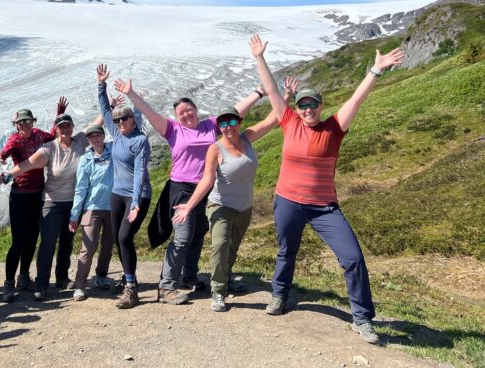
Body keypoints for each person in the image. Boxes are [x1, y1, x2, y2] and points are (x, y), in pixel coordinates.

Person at [250, 33, 404, 345]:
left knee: (353, 258)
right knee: (286, 251)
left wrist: (376, 70)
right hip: (288, 202)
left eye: (313, 104)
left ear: (321, 106)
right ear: (298, 107)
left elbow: (356, 99)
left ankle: (361, 319)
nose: (308, 109)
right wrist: (259, 58)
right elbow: (270, 90)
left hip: (324, 207)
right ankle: (280, 296)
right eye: (303, 104)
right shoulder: (288, 121)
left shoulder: (334, 128)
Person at [114, 77, 266, 304]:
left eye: (189, 110)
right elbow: (149, 112)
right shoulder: (172, 129)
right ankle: (166, 287)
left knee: (198, 235)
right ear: (176, 117)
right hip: (181, 189)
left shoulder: (210, 126)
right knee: (183, 237)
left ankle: (189, 278)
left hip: (207, 188)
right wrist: (131, 94)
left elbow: (234, 112)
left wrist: (258, 93)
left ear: (196, 110)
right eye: (181, 113)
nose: (186, 115)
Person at [172, 78, 298, 312]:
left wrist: (288, 96)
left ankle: (226, 278)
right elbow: (207, 180)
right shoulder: (215, 148)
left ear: (239, 122)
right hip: (220, 205)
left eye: (232, 121)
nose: (228, 126)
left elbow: (273, 120)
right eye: (223, 123)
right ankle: (218, 291)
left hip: (244, 207)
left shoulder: (247, 138)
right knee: (219, 246)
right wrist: (188, 206)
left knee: (232, 248)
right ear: (219, 127)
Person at [0, 102, 103, 301]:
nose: (65, 130)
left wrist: (108, 104)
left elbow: (95, 125)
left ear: (72, 128)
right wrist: (5, 177)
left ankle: (62, 277)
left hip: (73, 203)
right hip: (52, 202)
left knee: (67, 242)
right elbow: (27, 164)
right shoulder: (48, 149)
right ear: (57, 129)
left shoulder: (79, 141)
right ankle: (42, 284)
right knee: (48, 243)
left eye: (68, 126)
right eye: (61, 127)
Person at [0, 97, 67, 302]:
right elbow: (4, 153)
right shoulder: (14, 139)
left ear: (33, 122)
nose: (25, 125)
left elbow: (54, 135)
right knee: (18, 240)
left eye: (28, 121)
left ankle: (23, 277)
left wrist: (59, 114)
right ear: (16, 125)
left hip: (37, 193)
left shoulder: (38, 135)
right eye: (21, 122)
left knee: (32, 238)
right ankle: (9, 283)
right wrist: (1, 159)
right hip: (20, 195)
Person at [97, 64, 152, 309]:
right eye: (118, 119)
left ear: (133, 119)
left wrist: (137, 203)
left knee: (124, 236)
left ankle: (132, 289)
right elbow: (104, 110)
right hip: (118, 194)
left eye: (124, 118)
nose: (120, 122)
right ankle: (129, 280)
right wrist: (101, 85)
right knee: (119, 241)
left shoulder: (140, 141)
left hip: (137, 194)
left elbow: (140, 172)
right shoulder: (117, 134)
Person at [68, 123, 115, 301]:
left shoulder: (113, 151)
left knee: (108, 245)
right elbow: (80, 188)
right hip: (92, 207)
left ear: (103, 136)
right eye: (91, 136)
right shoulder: (85, 159)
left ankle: (101, 277)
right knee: (88, 247)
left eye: (98, 135)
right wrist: (75, 215)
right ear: (88, 139)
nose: (95, 138)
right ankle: (80, 285)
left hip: (112, 206)